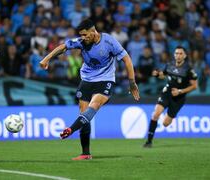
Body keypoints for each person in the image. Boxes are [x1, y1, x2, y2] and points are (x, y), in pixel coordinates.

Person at [40, 19, 140, 160]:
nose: (83, 38)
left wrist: (132, 83)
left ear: (93, 31)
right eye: (81, 35)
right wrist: (46, 59)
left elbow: (127, 60)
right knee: (83, 114)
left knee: (93, 106)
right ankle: (86, 153)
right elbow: (63, 47)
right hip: (87, 80)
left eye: (86, 35)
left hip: (105, 80)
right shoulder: (81, 41)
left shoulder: (109, 42)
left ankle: (71, 129)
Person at [143, 46, 198, 148]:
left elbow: (194, 86)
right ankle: (149, 142)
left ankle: (169, 116)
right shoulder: (169, 65)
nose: (178, 55)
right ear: (174, 55)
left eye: (181, 53)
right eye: (176, 53)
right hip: (167, 92)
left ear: (185, 56)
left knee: (165, 124)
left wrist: (180, 91)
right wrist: (157, 74)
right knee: (156, 114)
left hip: (179, 98)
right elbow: (163, 75)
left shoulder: (189, 70)